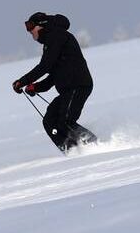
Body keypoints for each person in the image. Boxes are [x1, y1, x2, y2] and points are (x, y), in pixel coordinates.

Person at [12, 12, 95, 151]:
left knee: (66, 121)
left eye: (31, 27)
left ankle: (97, 145)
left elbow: (45, 66)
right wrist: (35, 87)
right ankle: (72, 151)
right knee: (50, 121)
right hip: (68, 89)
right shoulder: (51, 42)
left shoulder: (56, 36)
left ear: (41, 25)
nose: (30, 32)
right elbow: (52, 76)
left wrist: (22, 81)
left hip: (77, 85)